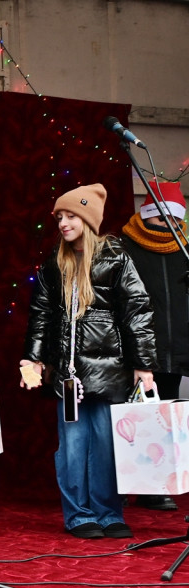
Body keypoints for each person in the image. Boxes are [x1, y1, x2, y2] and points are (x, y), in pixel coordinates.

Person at [21, 184, 157, 539]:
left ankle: (109, 512)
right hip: (70, 378)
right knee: (73, 448)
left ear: (88, 218)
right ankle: (79, 515)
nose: (64, 223)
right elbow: (41, 314)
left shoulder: (115, 257)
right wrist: (33, 359)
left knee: (106, 445)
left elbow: (137, 311)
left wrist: (143, 365)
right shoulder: (55, 261)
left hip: (111, 373)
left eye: (70, 216)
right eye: (60, 217)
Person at [119, 181, 188, 512]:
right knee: (136, 418)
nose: (170, 227)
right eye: (163, 220)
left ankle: (156, 485)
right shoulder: (125, 249)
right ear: (148, 216)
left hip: (176, 349)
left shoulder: (185, 251)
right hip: (138, 351)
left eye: (176, 222)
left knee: (166, 419)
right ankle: (130, 484)